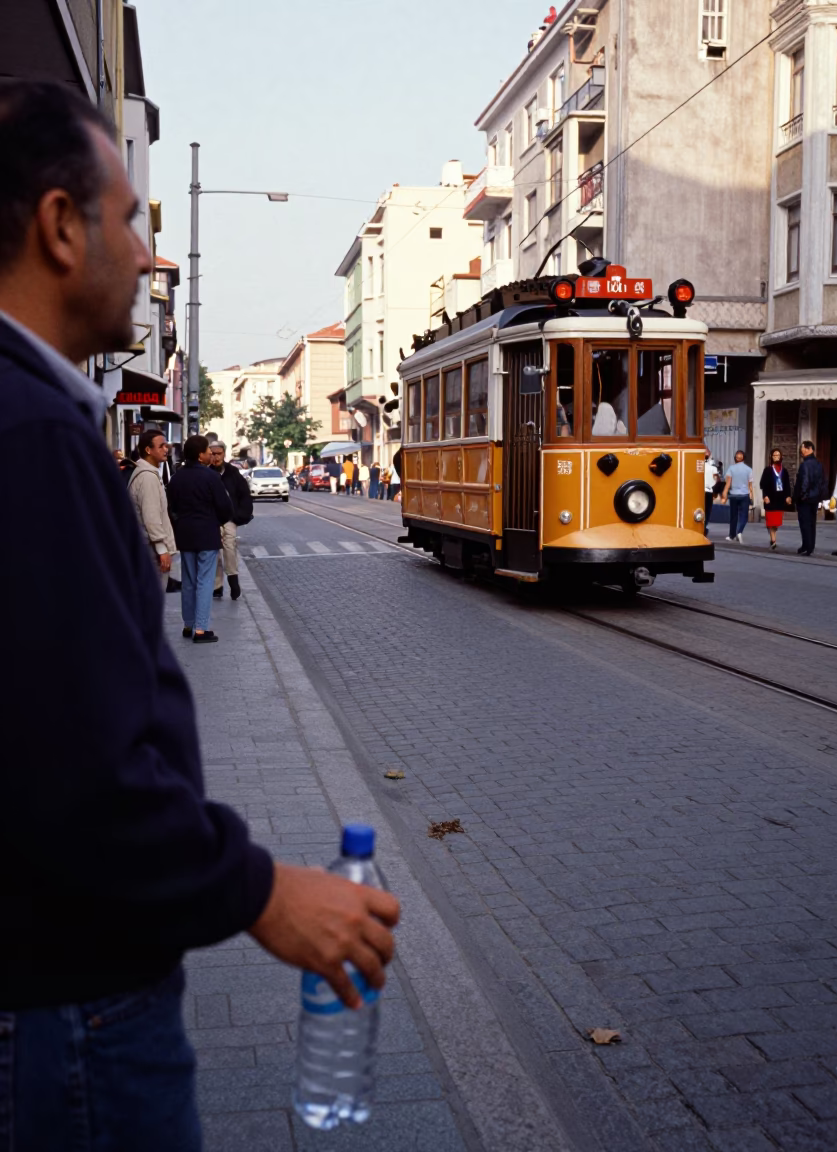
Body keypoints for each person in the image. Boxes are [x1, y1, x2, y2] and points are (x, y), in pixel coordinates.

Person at [0, 80, 400, 1151]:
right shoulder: (32, 433)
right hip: (77, 994)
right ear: (56, 227)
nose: (141, 253)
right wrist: (261, 893)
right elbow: (74, 770)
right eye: (127, 221)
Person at [167, 436, 233, 643]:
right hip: (206, 534)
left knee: (188, 580)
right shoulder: (210, 477)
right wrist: (218, 521)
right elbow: (224, 507)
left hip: (185, 535)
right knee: (205, 581)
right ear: (199, 454)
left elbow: (171, 507)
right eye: (207, 451)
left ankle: (188, 625)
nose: (210, 454)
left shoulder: (177, 478)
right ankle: (202, 629)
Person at [128, 428, 177, 583]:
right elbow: (151, 517)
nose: (166, 449)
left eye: (166, 445)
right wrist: (162, 550)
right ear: (148, 450)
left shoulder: (146, 473)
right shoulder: (148, 477)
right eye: (161, 446)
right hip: (151, 550)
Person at [210, 439, 253, 600]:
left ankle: (233, 580)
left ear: (224, 454)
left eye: (218, 454)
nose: (215, 457)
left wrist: (239, 516)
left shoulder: (232, 473)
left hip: (229, 518)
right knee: (214, 552)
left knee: (229, 547)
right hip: (212, 519)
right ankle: (217, 586)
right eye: (212, 454)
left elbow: (244, 495)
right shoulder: (207, 472)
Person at [793, 440, 827, 556]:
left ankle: (807, 546)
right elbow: (823, 482)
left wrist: (802, 496)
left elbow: (805, 482)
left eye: (802, 448)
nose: (801, 451)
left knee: (805, 523)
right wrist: (820, 497)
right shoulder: (819, 464)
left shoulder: (805, 465)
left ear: (809, 449)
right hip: (815, 498)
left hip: (805, 499)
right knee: (812, 523)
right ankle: (809, 545)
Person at [758, 448, 792, 551]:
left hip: (780, 499)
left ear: (781, 457)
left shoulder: (784, 471)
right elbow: (762, 484)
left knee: (776, 522)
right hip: (770, 498)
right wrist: (765, 496)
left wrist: (788, 496)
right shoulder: (767, 470)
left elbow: (787, 485)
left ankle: (773, 535)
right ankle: (773, 540)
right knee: (771, 521)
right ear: (771, 457)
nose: (776, 457)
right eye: (774, 455)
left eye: (778, 455)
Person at [720, 449, 753, 543]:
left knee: (733, 516)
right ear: (744, 458)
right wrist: (751, 496)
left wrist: (724, 493)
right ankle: (740, 531)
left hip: (733, 495)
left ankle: (732, 535)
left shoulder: (731, 468)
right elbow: (750, 485)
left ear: (735, 458)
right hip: (744, 495)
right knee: (744, 516)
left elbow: (728, 483)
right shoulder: (748, 469)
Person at [703, 446, 718, 537]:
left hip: (699, 491)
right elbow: (715, 480)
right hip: (709, 491)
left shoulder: (696, 465)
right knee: (707, 511)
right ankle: (704, 526)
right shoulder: (713, 468)